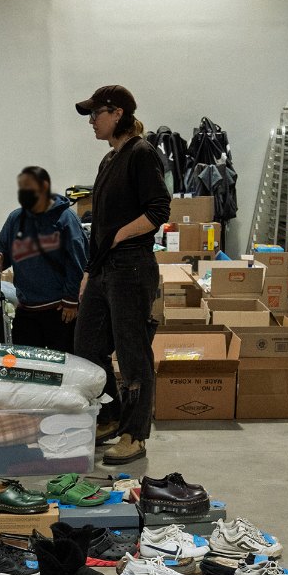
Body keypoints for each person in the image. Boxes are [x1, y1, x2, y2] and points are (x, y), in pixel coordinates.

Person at [72, 85, 171, 467]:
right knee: (87, 345)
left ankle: (134, 434)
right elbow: (99, 223)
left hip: (131, 267)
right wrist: (89, 270)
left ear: (117, 114)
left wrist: (119, 236)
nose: (91, 122)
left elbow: (158, 210)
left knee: (132, 355)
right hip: (103, 270)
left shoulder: (141, 153)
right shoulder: (109, 160)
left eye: (95, 114)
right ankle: (112, 415)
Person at [0, 168, 88, 352]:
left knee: (64, 363)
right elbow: (3, 246)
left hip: (60, 309)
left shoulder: (65, 218)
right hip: (26, 308)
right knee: (26, 363)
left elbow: (77, 261)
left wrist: (71, 300)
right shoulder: (16, 218)